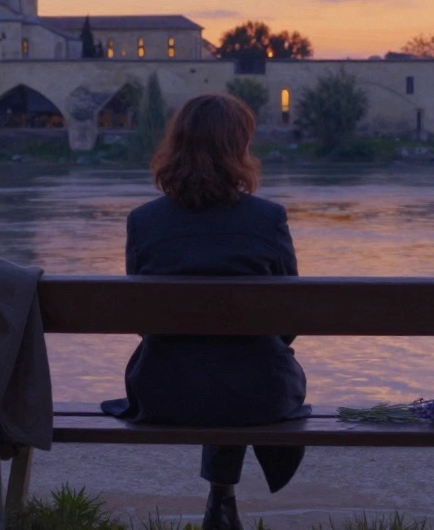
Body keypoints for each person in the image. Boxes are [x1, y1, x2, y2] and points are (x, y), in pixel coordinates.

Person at [100, 93, 309, 530]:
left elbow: (143, 323)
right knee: (243, 366)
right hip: (259, 394)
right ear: (239, 147)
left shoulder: (144, 221)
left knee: (212, 362)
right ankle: (221, 497)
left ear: (176, 144)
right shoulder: (267, 219)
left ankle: (221, 496)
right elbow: (288, 323)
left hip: (165, 390)